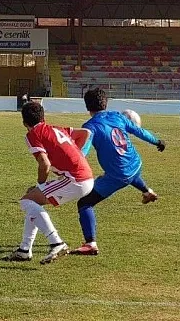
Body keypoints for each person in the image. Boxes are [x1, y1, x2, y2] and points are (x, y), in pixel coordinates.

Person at [71, 88, 166, 255]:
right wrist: (157, 141)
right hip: (136, 163)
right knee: (129, 173)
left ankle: (90, 243)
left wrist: (73, 165)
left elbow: (83, 151)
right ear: (105, 103)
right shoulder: (118, 116)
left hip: (118, 175)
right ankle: (147, 191)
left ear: (87, 107)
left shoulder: (90, 126)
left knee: (84, 203)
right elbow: (139, 131)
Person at [4, 101, 95, 264]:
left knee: (27, 201)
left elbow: (44, 164)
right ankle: (24, 249)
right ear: (43, 117)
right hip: (83, 176)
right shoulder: (56, 128)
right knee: (32, 202)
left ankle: (56, 242)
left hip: (77, 179)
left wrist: (40, 185)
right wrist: (76, 156)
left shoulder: (32, 134)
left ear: (24, 123)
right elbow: (86, 133)